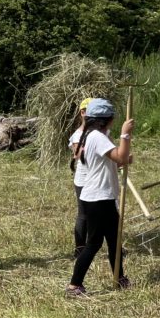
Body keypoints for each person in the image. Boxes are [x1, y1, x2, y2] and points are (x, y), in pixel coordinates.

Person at [66, 99, 133, 297]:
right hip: (98, 198)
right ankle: (74, 285)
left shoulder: (92, 136)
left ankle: (119, 278)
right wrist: (125, 134)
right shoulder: (97, 137)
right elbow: (119, 157)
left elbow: (113, 161)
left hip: (100, 195)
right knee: (94, 243)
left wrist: (124, 157)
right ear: (108, 120)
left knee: (114, 239)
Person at [69, 97, 94, 263]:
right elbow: (78, 154)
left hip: (99, 178)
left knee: (106, 214)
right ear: (82, 113)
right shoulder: (77, 135)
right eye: (87, 112)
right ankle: (80, 249)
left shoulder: (100, 133)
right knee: (84, 215)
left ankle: (115, 247)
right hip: (84, 180)